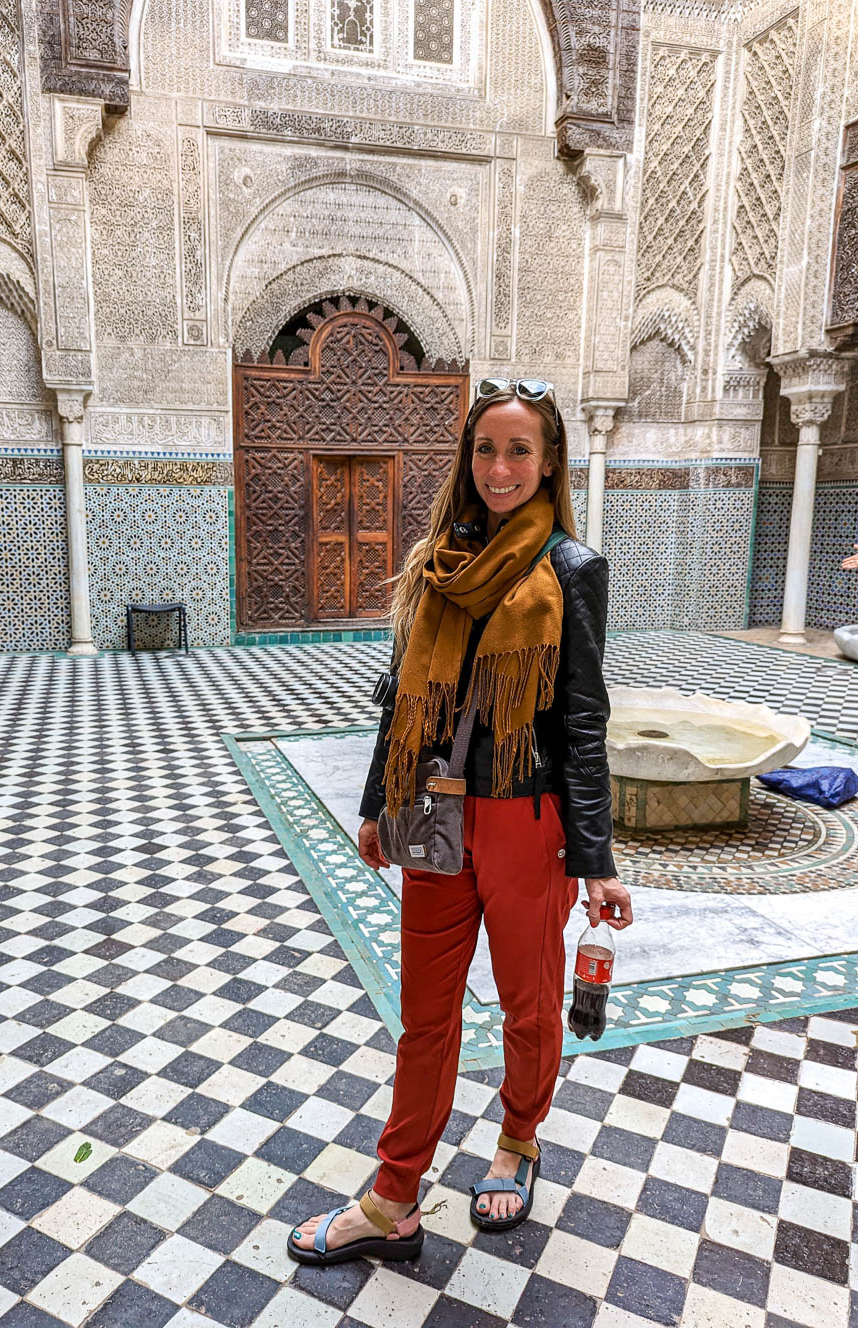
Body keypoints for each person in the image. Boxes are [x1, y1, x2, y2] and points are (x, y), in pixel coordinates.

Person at [287, 377, 633, 1266]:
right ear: (466, 457)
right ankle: (394, 1196)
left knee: (527, 1004)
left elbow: (582, 720)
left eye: (519, 449)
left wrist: (596, 858)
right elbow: (402, 696)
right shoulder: (437, 558)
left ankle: (518, 1139)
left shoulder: (571, 569)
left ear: (549, 460)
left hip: (528, 824)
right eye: (486, 448)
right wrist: (377, 804)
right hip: (436, 818)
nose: (500, 467)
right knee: (425, 1016)